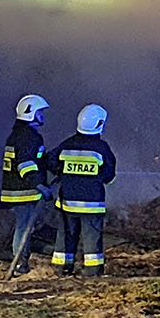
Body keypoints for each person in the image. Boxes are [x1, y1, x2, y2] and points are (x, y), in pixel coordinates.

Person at [47, 104, 116, 277]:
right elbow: (109, 175)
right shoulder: (101, 148)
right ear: (100, 124)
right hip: (91, 205)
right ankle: (92, 272)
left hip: (67, 202)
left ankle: (62, 269)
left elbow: (51, 162)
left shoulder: (67, 144)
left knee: (65, 236)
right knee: (91, 238)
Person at [0, 94, 50, 277]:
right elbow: (25, 164)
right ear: (31, 113)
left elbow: (37, 160)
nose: (43, 116)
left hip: (16, 188)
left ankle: (21, 262)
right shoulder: (29, 137)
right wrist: (40, 186)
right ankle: (20, 264)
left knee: (24, 225)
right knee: (24, 226)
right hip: (24, 190)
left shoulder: (18, 135)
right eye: (40, 112)